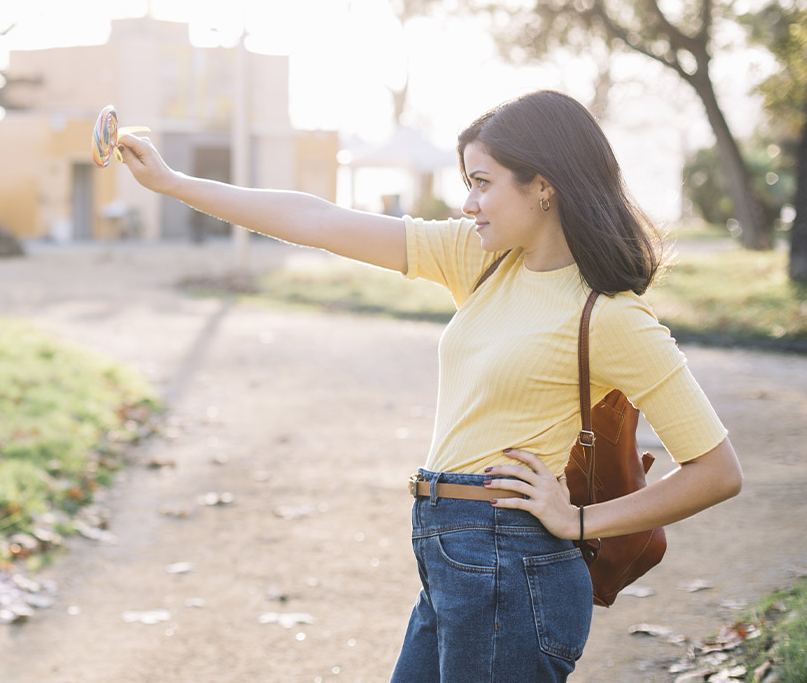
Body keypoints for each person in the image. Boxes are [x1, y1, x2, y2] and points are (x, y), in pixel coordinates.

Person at [116, 89, 742, 682]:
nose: (469, 203)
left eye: (482, 183)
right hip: (452, 555)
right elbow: (315, 219)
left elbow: (716, 471)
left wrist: (580, 519)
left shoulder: (611, 316)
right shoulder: (483, 261)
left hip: (512, 564)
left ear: (543, 185)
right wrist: (171, 183)